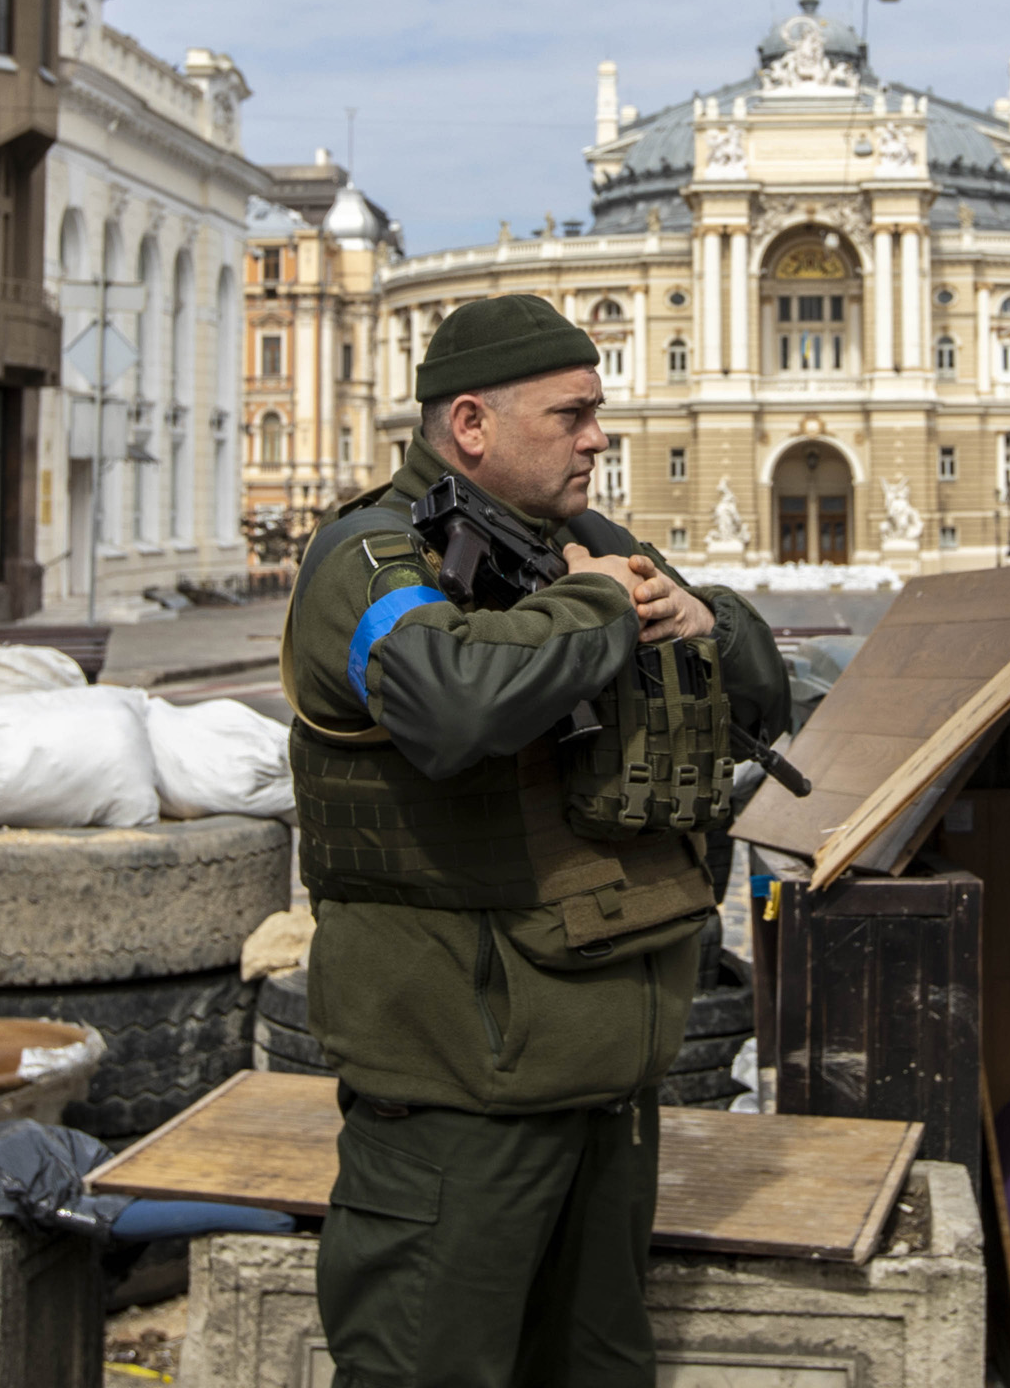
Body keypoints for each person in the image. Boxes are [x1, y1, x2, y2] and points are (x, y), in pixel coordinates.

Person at [279, 293, 791, 1388]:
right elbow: (451, 698)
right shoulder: (368, 559)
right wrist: (599, 609)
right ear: (471, 423)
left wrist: (712, 624)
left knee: (598, 1365)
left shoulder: (581, 544)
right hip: (464, 1095)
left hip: (607, 1081)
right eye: (573, 414)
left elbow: (764, 686)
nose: (599, 437)